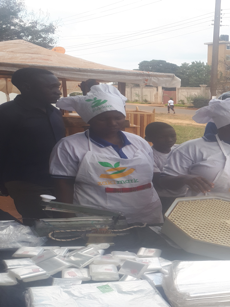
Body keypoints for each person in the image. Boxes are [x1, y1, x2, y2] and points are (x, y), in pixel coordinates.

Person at [50, 84, 163, 224]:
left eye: (118, 117)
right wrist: (68, 220)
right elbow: (63, 185)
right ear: (89, 120)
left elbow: (151, 176)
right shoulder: (69, 146)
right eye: (102, 119)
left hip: (146, 215)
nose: (112, 123)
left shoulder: (139, 142)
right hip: (97, 219)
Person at [0, 68, 65, 223]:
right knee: (40, 224)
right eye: (51, 87)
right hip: (26, 182)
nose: (57, 92)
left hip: (59, 180)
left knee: (63, 221)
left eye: (58, 87)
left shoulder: (54, 112)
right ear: (27, 87)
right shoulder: (6, 113)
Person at [146, 122, 187, 213]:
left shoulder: (180, 150)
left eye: (173, 136)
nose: (169, 140)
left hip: (184, 195)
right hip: (163, 198)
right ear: (148, 139)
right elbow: (160, 181)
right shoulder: (149, 156)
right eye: (162, 137)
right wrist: (186, 179)